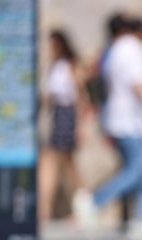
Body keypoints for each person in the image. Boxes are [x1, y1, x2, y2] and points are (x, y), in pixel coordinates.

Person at [73, 13, 142, 236]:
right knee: (135, 170)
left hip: (115, 119)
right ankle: (94, 201)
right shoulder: (131, 49)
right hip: (129, 121)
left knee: (138, 171)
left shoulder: (111, 50)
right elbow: (140, 86)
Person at [38, 28, 86, 223]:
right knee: (65, 165)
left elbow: (80, 96)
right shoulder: (54, 66)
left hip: (67, 115)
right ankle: (48, 209)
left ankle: (47, 210)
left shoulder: (70, 66)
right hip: (56, 115)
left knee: (61, 163)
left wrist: (80, 126)